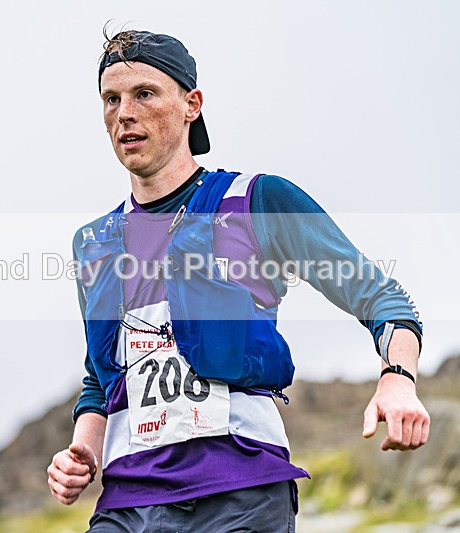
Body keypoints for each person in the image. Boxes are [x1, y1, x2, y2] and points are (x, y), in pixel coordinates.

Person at [47, 29, 430, 532]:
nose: (124, 113)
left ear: (191, 104)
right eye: (111, 99)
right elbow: (100, 378)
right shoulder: (94, 242)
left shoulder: (256, 201)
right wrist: (83, 452)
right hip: (128, 505)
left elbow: (384, 301)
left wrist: (397, 380)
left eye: (144, 94)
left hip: (241, 493)